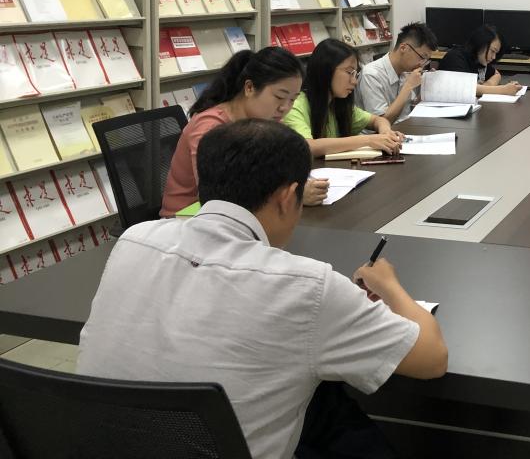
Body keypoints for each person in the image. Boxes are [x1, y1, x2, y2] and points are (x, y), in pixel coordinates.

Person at [79, 119, 448, 459]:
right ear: (289, 197)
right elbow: (431, 359)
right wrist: (390, 286)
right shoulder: (307, 287)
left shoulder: (134, 239)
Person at [161, 47, 327, 216]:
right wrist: (289, 196)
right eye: (279, 97)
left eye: (292, 99)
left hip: (242, 211)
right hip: (188, 217)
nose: (285, 107)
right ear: (249, 88)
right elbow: (219, 193)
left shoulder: (266, 121)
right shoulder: (210, 126)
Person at [284, 39, 404, 159]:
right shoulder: (295, 105)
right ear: (326, 70)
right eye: (349, 72)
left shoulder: (338, 103)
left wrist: (386, 133)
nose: (354, 81)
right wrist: (368, 140)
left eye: (355, 74)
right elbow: (308, 146)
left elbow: (378, 120)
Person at [355, 22, 437, 123]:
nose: (422, 63)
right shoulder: (371, 75)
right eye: (422, 57)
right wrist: (408, 86)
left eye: (426, 60)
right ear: (403, 48)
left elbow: (409, 109)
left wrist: (426, 90)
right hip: (382, 132)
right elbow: (382, 122)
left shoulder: (406, 71)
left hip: (405, 127)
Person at [438, 24, 522, 97]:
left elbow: (496, 74)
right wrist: (504, 90)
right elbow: (466, 89)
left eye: (496, 53)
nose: (494, 57)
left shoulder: (479, 60)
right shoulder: (455, 58)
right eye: (492, 51)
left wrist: (487, 85)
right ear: (481, 43)